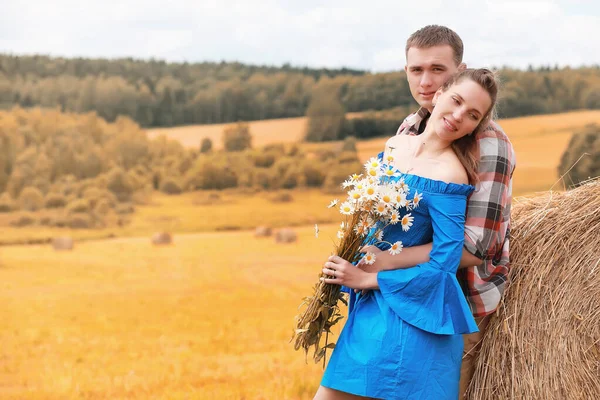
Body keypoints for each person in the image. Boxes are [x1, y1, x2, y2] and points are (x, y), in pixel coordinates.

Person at [313, 68, 499, 400]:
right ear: (439, 95)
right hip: (372, 306)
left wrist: (368, 278)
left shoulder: (450, 174)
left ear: (477, 125)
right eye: (456, 101)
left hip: (409, 313)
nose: (458, 117)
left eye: (472, 115)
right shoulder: (395, 145)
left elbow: (445, 260)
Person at [357, 25, 516, 398]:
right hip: (397, 292)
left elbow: (472, 248)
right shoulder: (410, 129)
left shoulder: (489, 144)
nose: (426, 82)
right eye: (416, 70)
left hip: (455, 304)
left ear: (457, 71)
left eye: (438, 70)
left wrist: (382, 264)